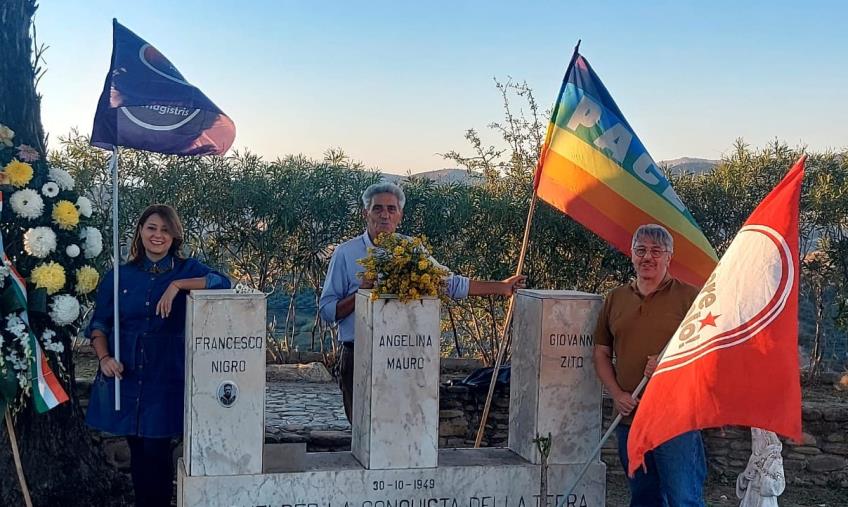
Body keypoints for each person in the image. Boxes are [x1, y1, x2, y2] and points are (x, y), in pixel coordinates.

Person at [319, 182, 525, 422]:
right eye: (377, 209)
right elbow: (327, 311)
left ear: (400, 215)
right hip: (359, 354)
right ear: (366, 213)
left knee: (402, 430)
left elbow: (449, 284)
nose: (384, 214)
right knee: (362, 431)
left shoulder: (413, 250)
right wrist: (362, 292)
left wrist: (501, 287)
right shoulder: (345, 253)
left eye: (391, 209)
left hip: (403, 354)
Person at [86, 204, 231, 507]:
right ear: (140, 231)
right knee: (137, 450)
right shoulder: (119, 276)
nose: (158, 235)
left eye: (165, 230)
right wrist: (104, 359)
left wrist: (177, 285)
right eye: (151, 227)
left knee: (157, 449)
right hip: (126, 374)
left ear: (174, 235)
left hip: (164, 375)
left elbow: (222, 282)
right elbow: (99, 325)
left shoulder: (186, 269)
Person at [593, 224, 706, 506]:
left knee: (683, 499)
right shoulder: (615, 298)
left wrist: (669, 364)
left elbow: (705, 355)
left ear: (670, 256)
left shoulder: (691, 298)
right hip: (630, 419)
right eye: (641, 250)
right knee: (644, 498)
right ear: (631, 255)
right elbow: (601, 353)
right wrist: (617, 395)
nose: (648, 257)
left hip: (675, 419)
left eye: (657, 251)